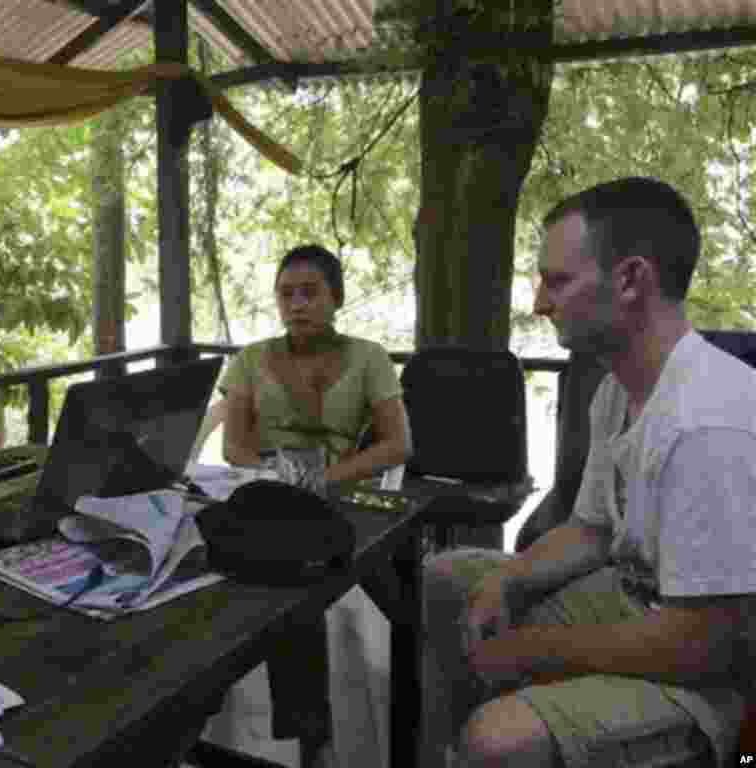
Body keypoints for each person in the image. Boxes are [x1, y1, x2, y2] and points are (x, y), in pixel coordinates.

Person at [421, 177, 755, 768]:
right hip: (640, 608)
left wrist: (534, 651)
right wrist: (510, 580)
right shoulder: (615, 388)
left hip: (718, 677)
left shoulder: (709, 424)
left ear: (631, 280)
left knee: (496, 742)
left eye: (557, 281)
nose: (539, 304)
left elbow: (705, 643)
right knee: (450, 576)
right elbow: (592, 530)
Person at [219, 243, 412, 767]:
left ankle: (315, 735)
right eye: (286, 294)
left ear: (336, 297)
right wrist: (273, 474)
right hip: (268, 494)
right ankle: (285, 731)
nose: (297, 304)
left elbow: (397, 445)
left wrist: (323, 480)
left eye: (310, 292)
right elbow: (233, 446)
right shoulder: (250, 360)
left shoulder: (368, 357)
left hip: (340, 496)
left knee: (297, 577)